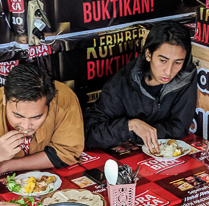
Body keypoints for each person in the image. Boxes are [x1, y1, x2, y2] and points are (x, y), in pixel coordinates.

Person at [0, 62, 84, 176]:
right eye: (18, 116)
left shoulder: (63, 99)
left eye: (37, 117)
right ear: (4, 100)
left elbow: (67, 152)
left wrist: (5, 166)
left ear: (49, 104)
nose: (26, 126)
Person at [84, 20, 198, 153]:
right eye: (163, 60)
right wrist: (130, 126)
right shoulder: (122, 83)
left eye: (177, 63)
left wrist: (141, 133)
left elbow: (180, 127)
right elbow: (89, 132)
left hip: (159, 154)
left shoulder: (185, 76)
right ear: (148, 55)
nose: (168, 71)